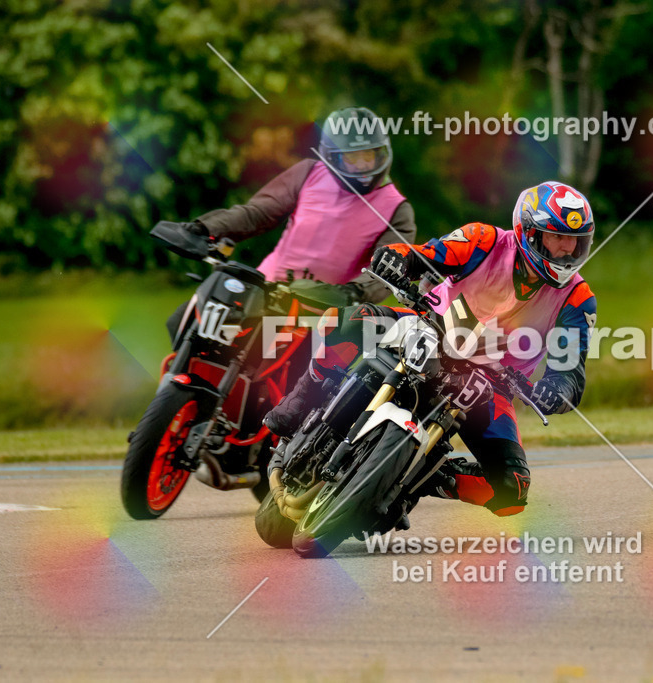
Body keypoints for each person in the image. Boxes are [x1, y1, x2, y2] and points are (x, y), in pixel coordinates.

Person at [265, 181, 598, 518]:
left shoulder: (578, 299)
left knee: (512, 491)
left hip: (488, 385)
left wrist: (555, 391)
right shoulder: (484, 239)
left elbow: (569, 370)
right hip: (429, 329)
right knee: (340, 322)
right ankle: (301, 397)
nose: (566, 251)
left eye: (575, 241)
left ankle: (422, 476)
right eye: (557, 238)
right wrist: (400, 257)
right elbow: (427, 255)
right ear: (527, 232)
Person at [170, 106, 417, 323]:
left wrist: (353, 293)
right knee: (186, 320)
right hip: (263, 289)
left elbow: (387, 271)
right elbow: (257, 213)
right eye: (352, 157)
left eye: (369, 155)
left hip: (321, 311)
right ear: (332, 157)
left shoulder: (397, 208)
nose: (363, 165)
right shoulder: (308, 173)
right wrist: (204, 228)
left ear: (382, 154)